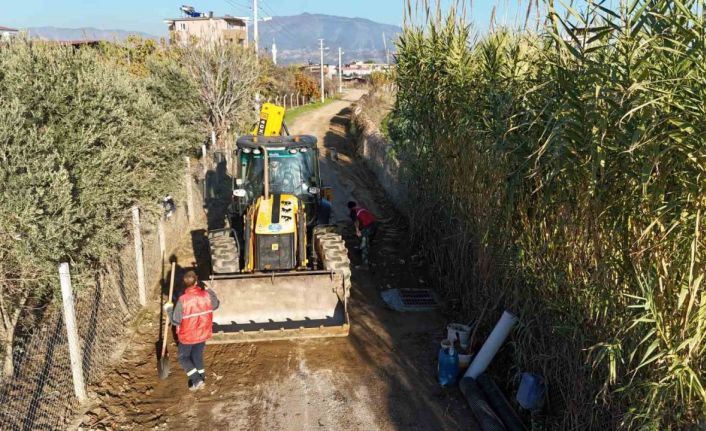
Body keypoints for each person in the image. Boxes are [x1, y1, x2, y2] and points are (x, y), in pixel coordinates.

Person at [164, 271, 220, 391]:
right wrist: (209, 290)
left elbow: (175, 321)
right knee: (197, 355)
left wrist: (168, 309)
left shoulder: (182, 300)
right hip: (203, 333)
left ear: (185, 283)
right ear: (196, 281)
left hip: (188, 336)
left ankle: (196, 379)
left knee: (183, 357)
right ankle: (202, 378)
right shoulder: (206, 295)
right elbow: (215, 305)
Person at [347, 201, 377, 267]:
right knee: (365, 239)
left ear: (349, 208)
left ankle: (365, 266)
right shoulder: (361, 209)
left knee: (364, 245)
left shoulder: (353, 211)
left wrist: (357, 230)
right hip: (374, 225)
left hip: (368, 227)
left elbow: (356, 221)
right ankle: (361, 247)